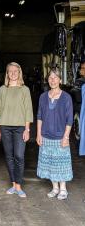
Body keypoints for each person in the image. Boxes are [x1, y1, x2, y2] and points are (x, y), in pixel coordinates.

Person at [0, 62, 33, 198]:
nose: (13, 73)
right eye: (10, 71)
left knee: (19, 156)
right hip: (4, 127)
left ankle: (19, 185)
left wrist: (27, 129)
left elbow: (28, 110)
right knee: (9, 156)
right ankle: (14, 184)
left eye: (15, 71)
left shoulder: (25, 90)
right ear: (7, 73)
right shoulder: (2, 89)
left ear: (19, 72)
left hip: (20, 127)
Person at [36, 68, 73, 200]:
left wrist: (66, 137)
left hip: (60, 137)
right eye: (50, 78)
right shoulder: (43, 97)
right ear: (48, 80)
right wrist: (38, 134)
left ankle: (63, 189)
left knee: (61, 164)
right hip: (46, 136)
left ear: (60, 80)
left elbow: (69, 120)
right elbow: (39, 116)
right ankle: (55, 188)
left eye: (55, 77)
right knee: (50, 163)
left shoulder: (66, 97)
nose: (52, 80)